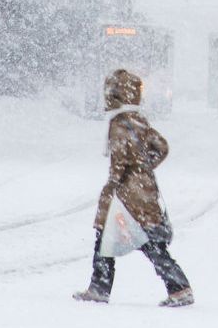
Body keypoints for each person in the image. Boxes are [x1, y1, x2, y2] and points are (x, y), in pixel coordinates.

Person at [73, 69, 193, 307]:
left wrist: (115, 185)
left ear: (115, 94)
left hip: (127, 193)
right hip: (144, 191)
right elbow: (162, 147)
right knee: (147, 241)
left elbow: (119, 161)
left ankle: (100, 288)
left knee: (108, 236)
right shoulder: (140, 121)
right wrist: (145, 167)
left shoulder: (119, 123)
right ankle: (179, 287)